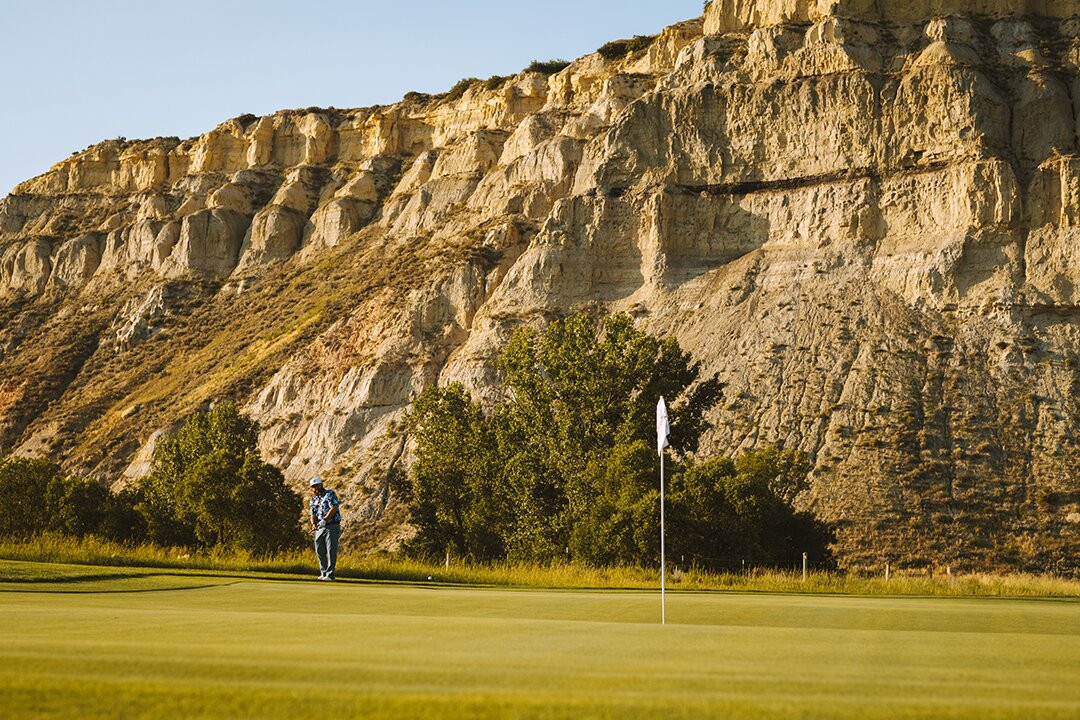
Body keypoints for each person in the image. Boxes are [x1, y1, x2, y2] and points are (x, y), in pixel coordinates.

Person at [308, 477, 341, 581]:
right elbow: (312, 513)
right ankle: (323, 573)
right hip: (320, 527)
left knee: (331, 550)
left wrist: (325, 519)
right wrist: (314, 524)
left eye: (317, 486)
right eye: (313, 487)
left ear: (321, 485)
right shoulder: (313, 499)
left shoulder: (330, 494)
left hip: (332, 525)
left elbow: (334, 507)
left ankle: (330, 575)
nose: (315, 488)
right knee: (319, 550)